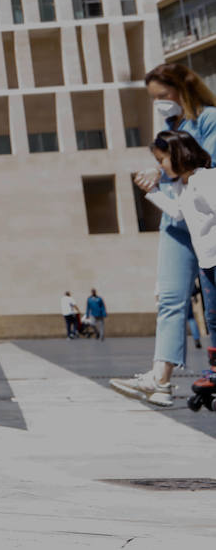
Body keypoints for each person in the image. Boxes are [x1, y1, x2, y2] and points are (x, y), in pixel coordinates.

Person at [112, 63, 216, 407]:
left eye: (162, 96)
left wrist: (162, 169)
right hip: (176, 219)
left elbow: (207, 164)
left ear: (182, 88)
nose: (159, 104)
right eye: (153, 99)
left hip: (206, 220)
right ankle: (160, 380)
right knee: (170, 300)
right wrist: (156, 174)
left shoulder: (209, 119)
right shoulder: (173, 126)